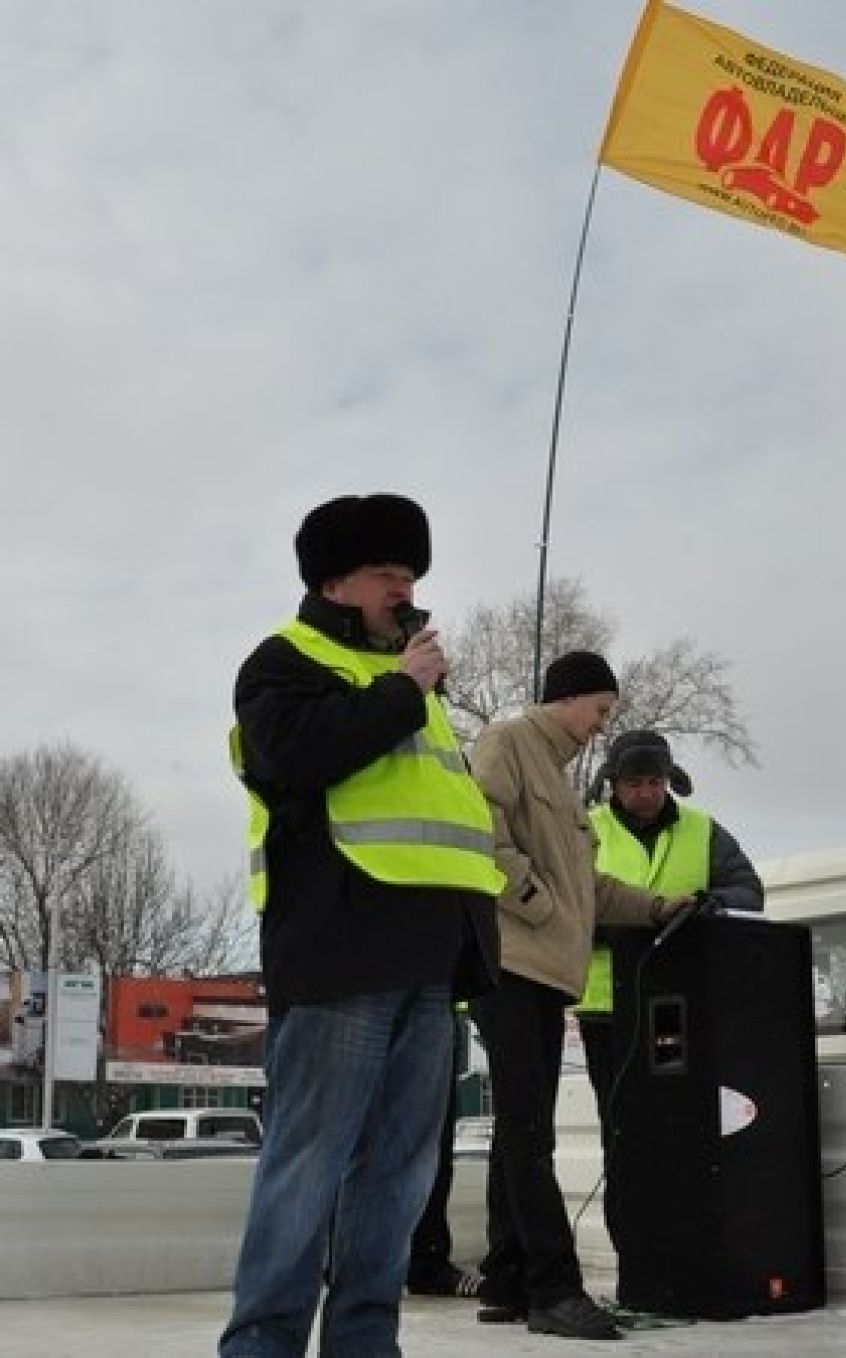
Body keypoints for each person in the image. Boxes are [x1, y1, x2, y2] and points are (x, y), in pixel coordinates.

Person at [219, 493, 503, 1358]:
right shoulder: (282, 663)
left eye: (412, 574)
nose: (405, 589)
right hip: (344, 955)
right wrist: (402, 690)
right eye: (388, 573)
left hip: (433, 957)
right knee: (306, 1168)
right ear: (336, 580)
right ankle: (262, 1346)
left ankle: (365, 1343)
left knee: (399, 1175)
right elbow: (297, 758)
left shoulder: (418, 690)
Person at [467, 652, 692, 1343]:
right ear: (567, 700)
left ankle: (507, 1279)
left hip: (543, 974)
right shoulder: (506, 743)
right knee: (532, 1132)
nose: (603, 726)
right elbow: (479, 832)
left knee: (517, 1130)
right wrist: (536, 905)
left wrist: (657, 908)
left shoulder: (564, 785)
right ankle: (553, 1292)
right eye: (600, 709)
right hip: (510, 966)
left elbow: (588, 889)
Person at [576, 728, 764, 1251]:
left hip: (685, 1009)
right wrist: (609, 927)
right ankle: (635, 1255)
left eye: (655, 781)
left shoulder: (705, 832)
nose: (645, 792)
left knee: (685, 1133)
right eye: (634, 782)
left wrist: (708, 905)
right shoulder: (583, 830)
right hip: (608, 1011)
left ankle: (687, 1249)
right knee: (624, 1136)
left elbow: (748, 891)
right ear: (612, 784)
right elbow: (563, 905)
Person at [405, 1009, 481, 1299]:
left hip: (435, 992)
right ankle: (349, 1263)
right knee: (362, 1141)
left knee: (433, 1145)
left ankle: (427, 1260)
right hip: (364, 989)